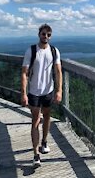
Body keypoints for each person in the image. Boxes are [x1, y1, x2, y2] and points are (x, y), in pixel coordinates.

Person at [21, 24, 62, 167]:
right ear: (39, 34)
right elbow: (24, 73)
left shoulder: (54, 51)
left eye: (48, 34)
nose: (46, 36)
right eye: (43, 34)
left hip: (48, 91)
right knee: (35, 120)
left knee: (47, 117)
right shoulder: (31, 50)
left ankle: (44, 141)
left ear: (50, 36)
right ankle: (36, 154)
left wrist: (59, 90)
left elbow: (58, 72)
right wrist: (24, 93)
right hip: (34, 92)